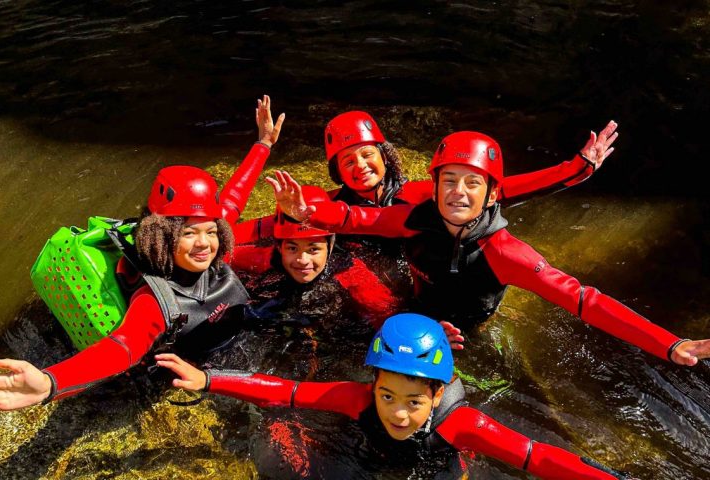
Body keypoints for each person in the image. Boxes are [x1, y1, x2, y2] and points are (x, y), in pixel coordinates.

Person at [0, 96, 286, 411]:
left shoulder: (209, 243)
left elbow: (232, 200)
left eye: (211, 231)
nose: (204, 243)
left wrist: (263, 144)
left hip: (236, 332)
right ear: (164, 234)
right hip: (206, 369)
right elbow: (121, 348)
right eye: (189, 233)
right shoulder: (156, 301)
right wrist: (50, 383)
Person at [267, 131, 710, 367]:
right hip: (416, 309)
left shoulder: (504, 252)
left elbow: (582, 300)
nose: (458, 193)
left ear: (492, 195)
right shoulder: (411, 217)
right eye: (449, 181)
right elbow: (355, 218)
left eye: (472, 183)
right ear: (433, 186)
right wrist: (307, 213)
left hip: (468, 333)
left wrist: (668, 344)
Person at [154, 313, 635, 479]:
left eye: (413, 400)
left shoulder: (460, 424)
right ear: (374, 384)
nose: (398, 413)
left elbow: (539, 457)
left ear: (437, 392)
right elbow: (288, 391)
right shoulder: (356, 398)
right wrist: (210, 380)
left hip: (441, 464)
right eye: (387, 396)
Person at [238, 110, 618, 242]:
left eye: (367, 155)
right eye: (347, 161)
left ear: (385, 156)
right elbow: (262, 229)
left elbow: (503, 191)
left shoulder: (418, 195)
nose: (360, 167)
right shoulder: (325, 204)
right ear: (336, 170)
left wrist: (576, 168)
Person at [231, 185, 402, 329]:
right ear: (278, 247)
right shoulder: (264, 259)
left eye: (313, 249)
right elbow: (216, 252)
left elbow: (388, 317)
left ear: (330, 247)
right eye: (292, 248)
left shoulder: (350, 271)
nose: (303, 260)